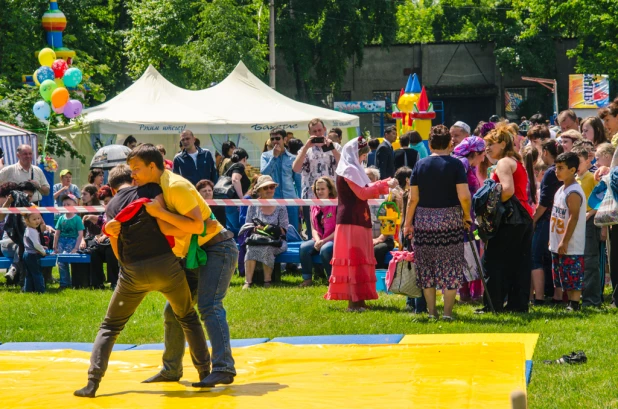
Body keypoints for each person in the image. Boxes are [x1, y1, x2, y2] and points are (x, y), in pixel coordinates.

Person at [73, 165, 210, 398]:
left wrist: (127, 269)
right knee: (187, 317)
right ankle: (205, 374)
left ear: (113, 188)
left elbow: (116, 249)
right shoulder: (151, 189)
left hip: (132, 273)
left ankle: (92, 383)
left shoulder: (112, 206)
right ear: (133, 180)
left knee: (109, 327)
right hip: (166, 266)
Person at [116, 144, 238, 388]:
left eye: (137, 169)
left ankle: (224, 368)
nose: (133, 175)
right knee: (174, 310)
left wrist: (161, 214)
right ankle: (171, 370)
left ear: (153, 166)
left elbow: (196, 226)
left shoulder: (175, 186)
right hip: (196, 252)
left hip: (217, 248)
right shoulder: (157, 188)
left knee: (209, 304)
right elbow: (176, 228)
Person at [403, 125, 471, 320]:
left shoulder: (420, 165)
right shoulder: (456, 165)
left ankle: (432, 312)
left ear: (430, 143)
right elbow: (464, 196)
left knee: (427, 267)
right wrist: (466, 216)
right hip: (450, 220)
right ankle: (448, 313)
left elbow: (413, 199)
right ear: (450, 143)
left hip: (424, 220)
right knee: (451, 265)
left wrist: (408, 223)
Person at [324, 136, 397, 312]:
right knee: (353, 259)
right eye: (362, 154)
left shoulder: (353, 169)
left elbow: (366, 188)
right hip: (351, 220)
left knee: (361, 258)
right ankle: (353, 302)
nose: (364, 158)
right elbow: (363, 193)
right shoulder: (348, 169)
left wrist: (382, 183)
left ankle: (360, 299)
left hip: (359, 219)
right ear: (355, 154)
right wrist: (384, 185)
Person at [479, 126, 533, 313]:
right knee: (519, 263)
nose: (487, 148)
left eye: (491, 144)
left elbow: (507, 190)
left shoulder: (503, 163)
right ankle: (518, 305)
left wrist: (490, 207)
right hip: (523, 216)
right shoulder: (515, 161)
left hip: (510, 218)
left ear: (503, 144)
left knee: (494, 261)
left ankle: (493, 305)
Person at [549, 152, 586, 311]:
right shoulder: (561, 189)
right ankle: (569, 302)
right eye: (556, 167)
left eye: (561, 168)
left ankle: (575, 303)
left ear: (572, 170)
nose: (557, 171)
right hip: (557, 240)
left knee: (573, 273)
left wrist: (564, 240)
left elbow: (574, 217)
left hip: (571, 243)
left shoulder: (574, 192)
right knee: (563, 274)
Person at [452, 136, 487, 303]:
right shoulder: (463, 164)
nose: (484, 157)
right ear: (474, 153)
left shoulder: (465, 164)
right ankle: (469, 294)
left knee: (467, 252)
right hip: (465, 216)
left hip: (468, 215)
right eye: (482, 153)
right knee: (468, 252)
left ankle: (468, 293)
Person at [293, 118, 340, 237]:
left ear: (325, 130)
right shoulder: (305, 150)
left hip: (333, 197)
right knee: (313, 232)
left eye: (320, 130)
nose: (318, 134)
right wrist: (306, 147)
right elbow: (296, 169)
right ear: (309, 133)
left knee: (334, 231)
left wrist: (332, 149)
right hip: (311, 197)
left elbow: (344, 167)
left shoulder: (336, 147)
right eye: (314, 131)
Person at [242, 175, 289, 289]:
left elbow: (284, 229)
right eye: (265, 188)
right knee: (251, 249)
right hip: (257, 239)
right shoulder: (253, 206)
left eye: (271, 187)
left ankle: (267, 281)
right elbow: (247, 225)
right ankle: (248, 282)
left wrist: (271, 229)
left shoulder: (280, 206)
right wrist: (256, 229)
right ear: (259, 190)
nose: (269, 190)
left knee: (266, 248)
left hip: (276, 241)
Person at [531, 140, 563, 305]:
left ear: (545, 152)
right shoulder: (561, 170)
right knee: (552, 257)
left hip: (546, 219)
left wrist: (534, 220)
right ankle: (554, 294)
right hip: (558, 219)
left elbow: (544, 202)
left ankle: (539, 297)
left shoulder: (551, 172)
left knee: (535, 256)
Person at [572, 145, 602, 307]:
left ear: (588, 161)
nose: (576, 165)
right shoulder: (576, 179)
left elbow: (602, 199)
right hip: (577, 223)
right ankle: (582, 296)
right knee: (580, 260)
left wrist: (590, 214)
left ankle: (592, 300)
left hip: (589, 223)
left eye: (579, 161)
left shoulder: (592, 178)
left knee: (590, 261)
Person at [299, 177, 337, 287]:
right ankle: (307, 279)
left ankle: (332, 280)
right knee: (304, 248)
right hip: (319, 238)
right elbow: (313, 227)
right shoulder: (313, 204)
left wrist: (324, 241)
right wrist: (318, 240)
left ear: (329, 189)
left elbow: (339, 228)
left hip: (333, 238)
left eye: (322, 189)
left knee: (325, 250)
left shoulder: (336, 204)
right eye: (317, 189)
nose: (319, 192)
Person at [260, 128, 300, 230]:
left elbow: (298, 182)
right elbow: (264, 173)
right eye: (272, 139)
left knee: (292, 230)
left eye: (278, 138)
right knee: (274, 231)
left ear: (285, 139)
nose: (275, 141)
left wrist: (301, 202)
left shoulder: (292, 158)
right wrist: (274, 157)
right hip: (273, 199)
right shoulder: (265, 156)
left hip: (290, 199)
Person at [53, 193, 85, 289]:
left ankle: (70, 282)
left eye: (68, 204)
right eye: (64, 205)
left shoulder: (77, 219)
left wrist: (76, 247)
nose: (66, 206)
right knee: (61, 261)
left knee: (65, 257)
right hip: (61, 241)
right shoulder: (61, 218)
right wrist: (55, 245)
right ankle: (64, 282)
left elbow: (80, 234)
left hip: (72, 241)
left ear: (75, 205)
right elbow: (57, 233)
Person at [222, 148, 251, 236]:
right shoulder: (239, 166)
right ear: (245, 158)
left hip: (227, 204)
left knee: (233, 232)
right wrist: (241, 199)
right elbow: (235, 179)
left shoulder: (231, 167)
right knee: (241, 230)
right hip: (234, 204)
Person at [22, 212, 47, 293]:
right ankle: (40, 290)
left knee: (29, 274)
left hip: (26, 254)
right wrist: (43, 251)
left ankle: (28, 290)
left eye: (39, 218)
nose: (37, 221)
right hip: (32, 255)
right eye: (34, 219)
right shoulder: (32, 231)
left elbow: (31, 242)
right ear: (27, 221)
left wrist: (41, 246)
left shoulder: (28, 229)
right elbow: (36, 244)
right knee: (37, 273)